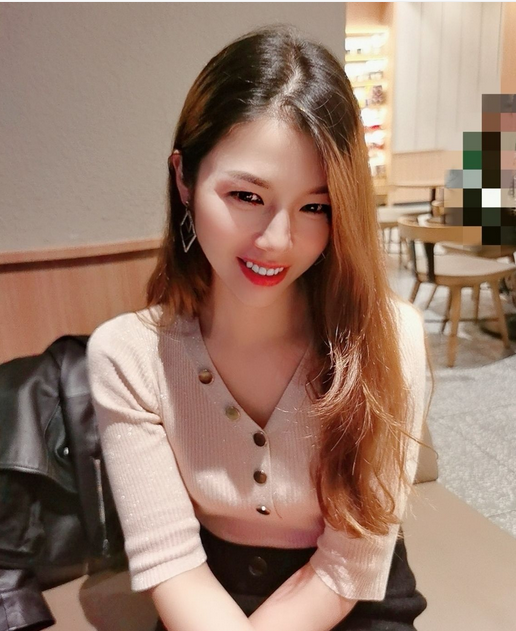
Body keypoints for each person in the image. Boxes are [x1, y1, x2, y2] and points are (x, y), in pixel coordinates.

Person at [86, 23, 435, 631]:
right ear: (184, 179)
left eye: (316, 206)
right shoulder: (128, 356)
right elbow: (172, 563)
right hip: (207, 603)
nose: (278, 240)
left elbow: (349, 565)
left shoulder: (387, 338)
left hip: (353, 600)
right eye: (247, 197)